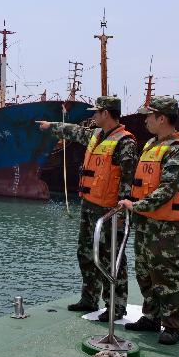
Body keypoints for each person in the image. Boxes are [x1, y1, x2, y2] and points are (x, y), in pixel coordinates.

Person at [37, 95, 137, 322]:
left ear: (106, 114)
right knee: (85, 253)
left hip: (110, 211)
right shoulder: (95, 135)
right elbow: (74, 131)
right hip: (89, 206)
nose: (93, 116)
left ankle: (116, 306)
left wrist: (121, 214)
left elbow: (128, 181)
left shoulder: (125, 143)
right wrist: (50, 126)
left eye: (96, 112)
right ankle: (89, 298)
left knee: (112, 259)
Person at [118, 96, 179, 346]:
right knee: (145, 272)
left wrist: (135, 206)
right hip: (145, 224)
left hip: (166, 228)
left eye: (149, 116)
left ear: (161, 118)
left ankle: (173, 325)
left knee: (167, 275)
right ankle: (151, 316)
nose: (145, 120)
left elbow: (167, 190)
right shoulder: (151, 145)